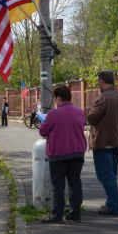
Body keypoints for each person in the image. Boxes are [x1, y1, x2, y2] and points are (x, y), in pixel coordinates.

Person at [38, 85, 87, 223]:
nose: (55, 101)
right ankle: (75, 213)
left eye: (55, 99)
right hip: (77, 153)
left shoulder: (54, 114)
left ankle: (57, 214)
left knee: (58, 186)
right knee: (75, 183)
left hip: (58, 154)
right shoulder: (80, 112)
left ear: (59, 98)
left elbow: (43, 131)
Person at [87, 71, 118, 216]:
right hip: (117, 141)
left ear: (101, 81)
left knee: (105, 175)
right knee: (111, 174)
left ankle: (114, 205)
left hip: (103, 141)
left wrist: (88, 112)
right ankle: (111, 203)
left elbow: (92, 119)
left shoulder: (103, 98)